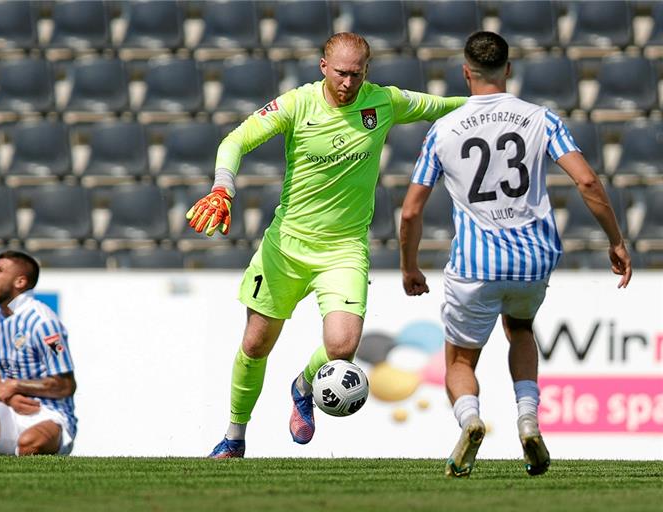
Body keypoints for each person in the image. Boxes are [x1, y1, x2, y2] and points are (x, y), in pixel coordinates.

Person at [185, 32, 467, 458]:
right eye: (340, 73)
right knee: (255, 344)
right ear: (323, 66)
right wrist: (223, 187)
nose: (348, 83)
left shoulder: (383, 101)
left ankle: (303, 384)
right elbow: (235, 141)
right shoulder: (298, 104)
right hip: (287, 246)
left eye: (356, 74)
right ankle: (234, 436)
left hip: (344, 249)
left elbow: (441, 106)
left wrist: (494, 105)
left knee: (342, 347)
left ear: (366, 71)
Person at [399, 31, 632, 477]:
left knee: (461, 359)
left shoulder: (444, 129)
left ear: (465, 72)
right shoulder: (541, 118)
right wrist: (616, 240)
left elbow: (411, 211)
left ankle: (470, 421)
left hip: (476, 263)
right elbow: (587, 182)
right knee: (521, 329)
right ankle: (528, 419)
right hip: (534, 257)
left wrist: (410, 266)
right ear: (508, 69)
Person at [0, 250, 78, 456]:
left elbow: (66, 385)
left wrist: (16, 385)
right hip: (11, 410)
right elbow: (2, 381)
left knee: (29, 444)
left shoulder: (44, 323)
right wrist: (10, 397)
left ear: (20, 282)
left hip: (50, 414)